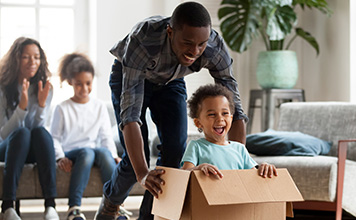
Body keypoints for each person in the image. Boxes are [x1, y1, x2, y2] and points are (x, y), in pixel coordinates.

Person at [94, 2, 247, 220]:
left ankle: (149, 216)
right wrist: (143, 174)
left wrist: (237, 163)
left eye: (201, 45)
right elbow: (131, 117)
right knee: (135, 162)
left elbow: (235, 109)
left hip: (171, 82)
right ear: (170, 32)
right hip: (130, 76)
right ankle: (111, 202)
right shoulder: (143, 39)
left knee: (175, 152)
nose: (194, 51)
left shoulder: (214, 47)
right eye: (187, 43)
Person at [50, 53, 125, 220]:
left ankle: (116, 207)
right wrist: (60, 157)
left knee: (104, 153)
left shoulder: (98, 106)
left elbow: (106, 136)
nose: (84, 89)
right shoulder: (62, 108)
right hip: (72, 152)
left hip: (93, 152)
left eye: (88, 83)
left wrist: (113, 156)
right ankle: (74, 209)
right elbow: (54, 138)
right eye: (78, 84)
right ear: (70, 82)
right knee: (87, 152)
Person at [0, 37, 59, 220]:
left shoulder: (44, 88)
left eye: (36, 57)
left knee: (41, 133)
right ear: (16, 59)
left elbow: (37, 130)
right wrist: (22, 109)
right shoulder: (3, 88)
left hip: (30, 146)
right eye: (26, 57)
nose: (32, 62)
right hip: (6, 147)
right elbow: (4, 134)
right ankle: (7, 206)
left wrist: (41, 106)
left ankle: (51, 206)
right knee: (22, 133)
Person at [181, 84, 277, 178]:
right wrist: (198, 169)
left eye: (225, 113)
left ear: (231, 118)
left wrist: (264, 167)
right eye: (212, 114)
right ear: (198, 123)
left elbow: (253, 177)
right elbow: (184, 174)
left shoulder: (239, 149)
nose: (220, 119)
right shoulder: (196, 146)